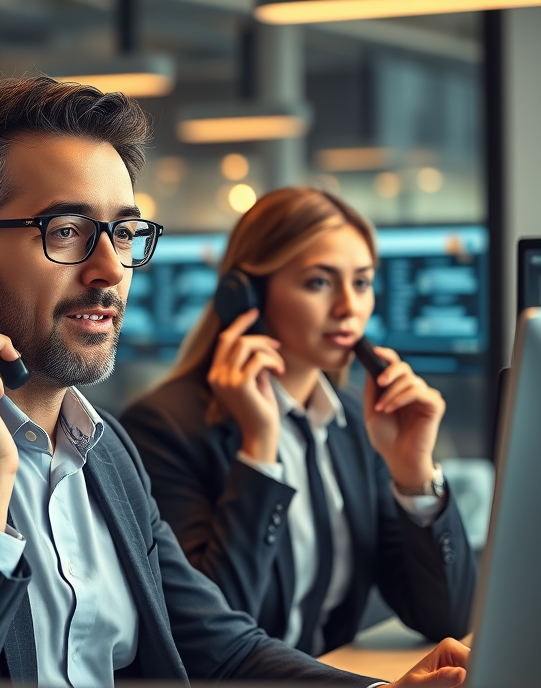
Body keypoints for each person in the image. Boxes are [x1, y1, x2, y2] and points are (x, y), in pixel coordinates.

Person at [0, 78, 470, 688]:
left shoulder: (106, 450)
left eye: (123, 233)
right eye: (64, 232)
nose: (109, 271)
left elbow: (217, 647)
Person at [120, 188, 476, 657]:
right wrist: (259, 451)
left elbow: (446, 617)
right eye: (319, 283)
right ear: (244, 295)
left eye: (363, 282)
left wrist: (413, 472)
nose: (349, 306)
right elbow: (207, 640)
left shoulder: (354, 423)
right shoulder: (163, 428)